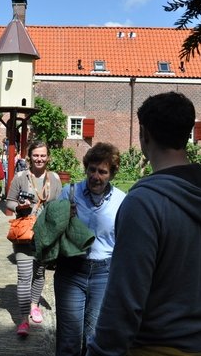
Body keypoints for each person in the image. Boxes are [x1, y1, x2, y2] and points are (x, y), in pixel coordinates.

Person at [86, 92, 201, 356]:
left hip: (152, 346)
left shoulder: (144, 203)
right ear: (188, 134)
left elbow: (125, 297)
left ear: (144, 135)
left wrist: (102, 350)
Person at [54, 143, 126, 356]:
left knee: (94, 336)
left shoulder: (122, 201)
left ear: (111, 174)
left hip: (104, 274)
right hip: (71, 271)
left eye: (102, 171)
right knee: (69, 338)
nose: (95, 176)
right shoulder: (70, 193)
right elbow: (51, 228)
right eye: (92, 169)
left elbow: (124, 241)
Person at [5, 140, 63, 336]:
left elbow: (59, 207)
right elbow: (9, 201)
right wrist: (20, 206)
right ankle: (23, 320)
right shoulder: (21, 177)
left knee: (39, 275)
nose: (39, 159)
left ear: (48, 157)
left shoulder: (54, 179)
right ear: (30, 156)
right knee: (24, 277)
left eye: (43, 155)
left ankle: (33, 305)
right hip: (24, 235)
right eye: (36, 155)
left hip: (45, 236)